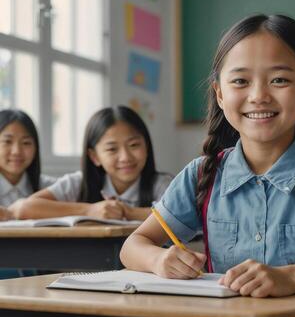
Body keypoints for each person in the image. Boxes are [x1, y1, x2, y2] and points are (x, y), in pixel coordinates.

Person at [120, 14, 295, 317]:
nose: (259, 96)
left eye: (279, 80)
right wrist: (160, 259)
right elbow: (132, 246)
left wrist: (290, 278)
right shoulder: (202, 174)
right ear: (220, 94)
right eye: (240, 81)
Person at [11, 106, 172, 221]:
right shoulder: (79, 182)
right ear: (94, 156)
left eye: (134, 145)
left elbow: (175, 215)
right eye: (112, 149)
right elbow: (25, 208)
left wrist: (127, 212)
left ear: (147, 147)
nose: (125, 157)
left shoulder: (163, 184)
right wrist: (89, 210)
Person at [0, 109, 56, 279]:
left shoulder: (48, 187)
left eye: (26, 143)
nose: (17, 151)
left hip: (40, 271)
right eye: (7, 142)